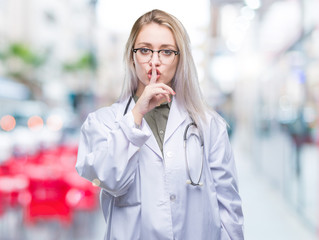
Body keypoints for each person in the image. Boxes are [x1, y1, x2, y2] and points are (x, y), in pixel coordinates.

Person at [76, 9, 244, 240]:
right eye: (145, 50)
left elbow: (229, 206)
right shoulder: (103, 122)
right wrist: (137, 114)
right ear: (131, 57)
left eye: (166, 52)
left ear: (180, 58)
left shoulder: (208, 124)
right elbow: (109, 179)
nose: (154, 61)